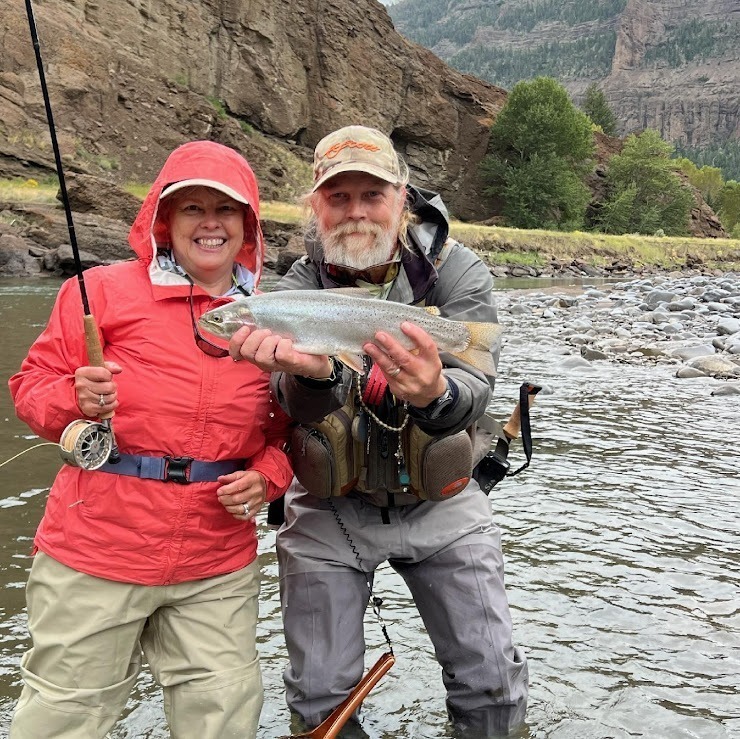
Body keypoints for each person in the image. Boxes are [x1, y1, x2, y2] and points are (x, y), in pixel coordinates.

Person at [229, 125, 528, 736]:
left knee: (491, 681)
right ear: (316, 206)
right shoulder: (296, 290)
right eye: (338, 197)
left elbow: (475, 390)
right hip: (329, 509)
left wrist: (435, 394)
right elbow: (290, 407)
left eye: (373, 195)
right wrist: (312, 378)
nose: (356, 211)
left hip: (442, 500)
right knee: (318, 702)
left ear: (403, 198)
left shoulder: (457, 271)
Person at [8, 140, 293, 739]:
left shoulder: (276, 316)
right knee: (63, 717)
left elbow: (287, 432)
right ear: (164, 221)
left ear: (248, 226)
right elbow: (31, 388)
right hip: (95, 550)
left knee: (224, 719)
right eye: (192, 208)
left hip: (216, 562)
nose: (210, 223)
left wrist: (269, 476)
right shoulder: (100, 291)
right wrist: (74, 401)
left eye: (226, 209)